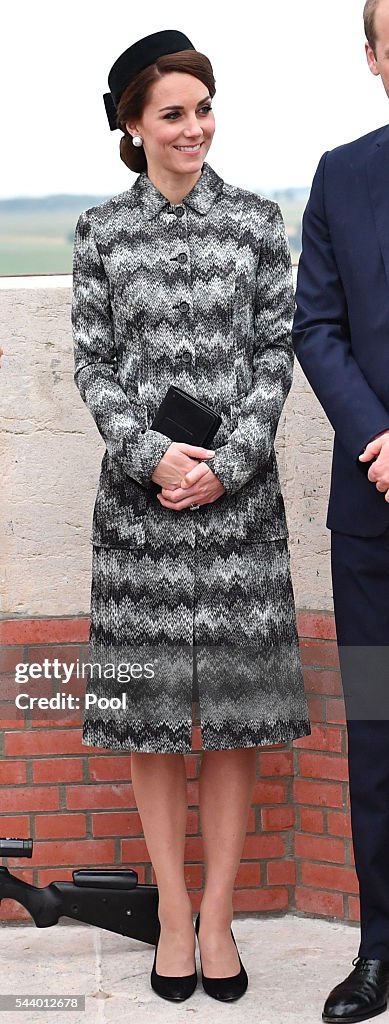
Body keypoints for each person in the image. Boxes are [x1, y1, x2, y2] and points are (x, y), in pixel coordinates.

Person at [71, 29, 309, 1005]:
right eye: (171, 113)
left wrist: (230, 462)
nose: (193, 127)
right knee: (153, 722)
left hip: (237, 509)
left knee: (237, 724)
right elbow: (90, 362)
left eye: (203, 107)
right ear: (133, 126)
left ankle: (216, 917)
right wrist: (150, 453)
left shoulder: (255, 224)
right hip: (139, 517)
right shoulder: (98, 232)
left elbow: (273, 351)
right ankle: (171, 911)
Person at [293, 2, 389, 1021]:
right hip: (371, 530)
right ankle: (376, 948)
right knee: (377, 729)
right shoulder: (339, 175)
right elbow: (314, 325)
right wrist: (377, 438)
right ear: (372, 57)